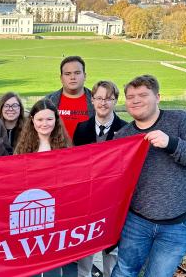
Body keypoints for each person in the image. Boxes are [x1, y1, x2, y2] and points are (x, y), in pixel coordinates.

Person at [111, 75, 186, 277]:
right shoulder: (123, 135)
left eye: (143, 95)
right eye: (130, 96)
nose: (136, 100)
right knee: (124, 271)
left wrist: (172, 144)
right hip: (136, 220)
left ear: (157, 97)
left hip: (178, 223)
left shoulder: (181, 120)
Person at [72, 81, 128, 277]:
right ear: (92, 100)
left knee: (111, 248)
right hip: (86, 200)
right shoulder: (81, 128)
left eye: (108, 99)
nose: (103, 103)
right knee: (84, 241)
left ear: (115, 101)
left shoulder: (126, 130)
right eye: (99, 98)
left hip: (113, 201)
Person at [45, 56, 95, 139]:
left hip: (88, 151)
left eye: (77, 73)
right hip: (57, 151)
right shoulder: (47, 102)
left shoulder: (98, 102)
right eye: (67, 74)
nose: (73, 77)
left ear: (85, 76)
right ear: (61, 78)